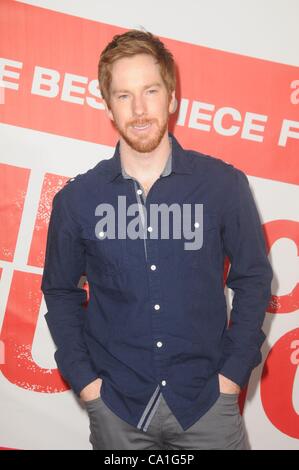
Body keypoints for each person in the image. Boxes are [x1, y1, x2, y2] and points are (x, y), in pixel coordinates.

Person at [41, 29, 273, 450]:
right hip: (117, 410)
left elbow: (254, 279)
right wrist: (88, 385)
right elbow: (59, 291)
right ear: (108, 106)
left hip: (207, 406)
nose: (140, 109)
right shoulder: (77, 200)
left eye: (150, 91)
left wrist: (232, 375)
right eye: (124, 95)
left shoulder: (223, 185)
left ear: (172, 97)